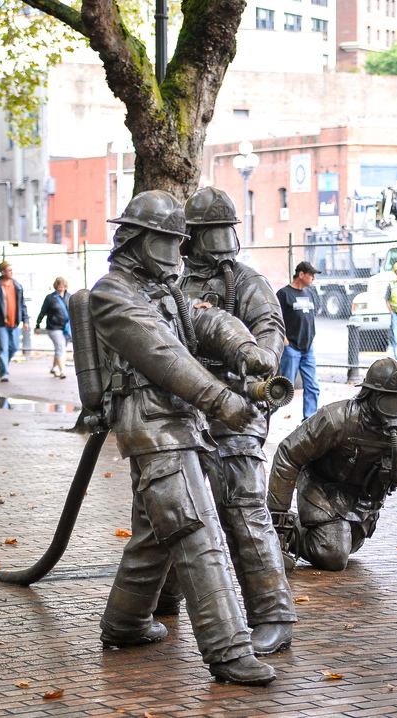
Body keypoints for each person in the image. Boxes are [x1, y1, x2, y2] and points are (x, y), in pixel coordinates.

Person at [91, 189, 277, 685]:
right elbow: (165, 357)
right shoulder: (114, 295)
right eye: (169, 243)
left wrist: (247, 350)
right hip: (154, 431)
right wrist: (225, 401)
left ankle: (126, 623)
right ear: (138, 240)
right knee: (198, 533)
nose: (178, 254)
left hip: (175, 426)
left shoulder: (162, 290)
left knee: (157, 534)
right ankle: (228, 650)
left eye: (180, 243)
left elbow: (204, 319)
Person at [161, 186, 296, 656]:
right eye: (207, 234)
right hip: (185, 406)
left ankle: (273, 613)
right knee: (170, 501)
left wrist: (256, 364)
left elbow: (271, 334)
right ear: (189, 237)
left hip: (239, 406)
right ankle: (159, 598)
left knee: (242, 503)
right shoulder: (173, 285)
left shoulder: (248, 283)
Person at [267, 358, 397, 582]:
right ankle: (278, 532)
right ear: (370, 396)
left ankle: (314, 532)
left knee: (349, 544)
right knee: (334, 553)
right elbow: (288, 454)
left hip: (362, 503)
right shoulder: (337, 419)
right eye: (387, 399)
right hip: (322, 491)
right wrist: (277, 522)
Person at [276, 261, 320, 420]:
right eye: (311, 275)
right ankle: (265, 414)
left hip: (307, 349)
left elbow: (310, 318)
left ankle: (310, 421)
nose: (313, 278)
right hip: (291, 348)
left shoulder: (310, 293)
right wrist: (285, 341)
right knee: (284, 388)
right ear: (301, 275)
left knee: (313, 386)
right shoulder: (283, 294)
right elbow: (275, 320)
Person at [0, 260, 29, 382]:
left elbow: (22, 304)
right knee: (3, 348)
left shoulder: (17, 286)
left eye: (12, 270)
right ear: (2, 272)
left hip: (14, 323)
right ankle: (4, 373)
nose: (11, 272)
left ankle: (4, 363)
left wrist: (25, 320)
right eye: (9, 270)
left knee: (14, 347)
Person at [35, 277, 72, 379]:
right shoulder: (50, 298)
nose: (61, 287)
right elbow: (42, 312)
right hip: (54, 328)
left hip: (66, 328)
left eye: (63, 285)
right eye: (59, 284)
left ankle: (54, 368)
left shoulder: (69, 297)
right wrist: (37, 325)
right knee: (61, 348)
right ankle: (62, 371)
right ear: (56, 285)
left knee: (60, 348)